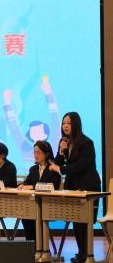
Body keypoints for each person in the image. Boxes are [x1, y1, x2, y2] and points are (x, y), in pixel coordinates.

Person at [48, 112, 101, 263]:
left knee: (84, 222)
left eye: (69, 123)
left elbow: (81, 165)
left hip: (88, 187)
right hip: (73, 188)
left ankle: (87, 254)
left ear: (76, 124)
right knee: (76, 221)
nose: (65, 126)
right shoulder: (64, 142)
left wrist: (61, 169)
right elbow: (57, 163)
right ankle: (81, 253)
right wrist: (61, 151)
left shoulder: (86, 143)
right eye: (63, 123)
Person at [17, 140, 61, 240]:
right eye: (34, 152)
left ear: (46, 154)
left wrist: (32, 187)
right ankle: (32, 244)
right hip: (34, 204)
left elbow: (53, 186)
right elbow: (27, 182)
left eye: (38, 152)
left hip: (48, 204)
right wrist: (22, 185)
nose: (35, 155)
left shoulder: (53, 168)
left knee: (34, 216)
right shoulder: (33, 169)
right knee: (26, 216)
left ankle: (41, 245)